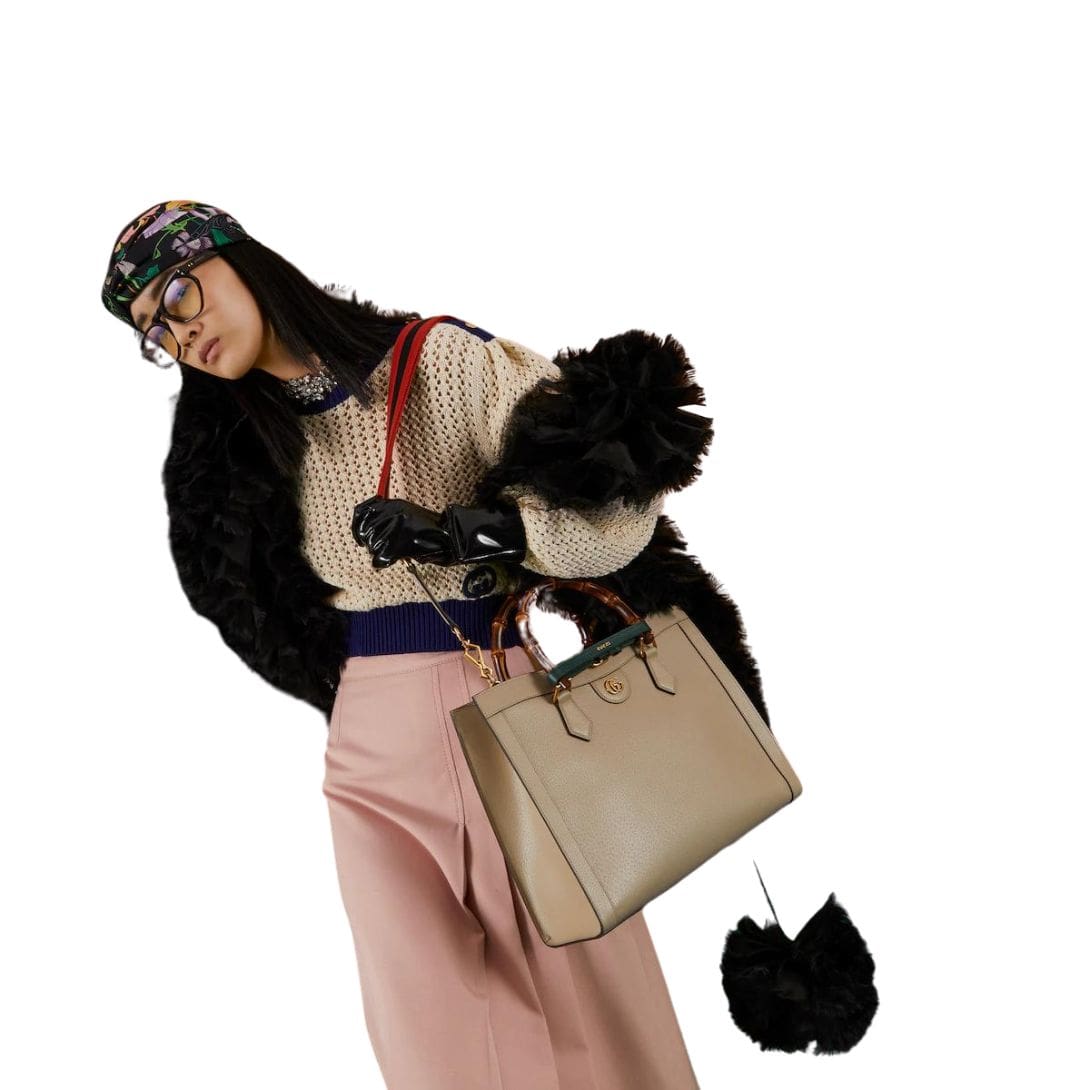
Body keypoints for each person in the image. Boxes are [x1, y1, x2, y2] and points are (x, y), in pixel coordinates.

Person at [101, 199, 770, 1089]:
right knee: (428, 1036)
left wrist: (466, 533)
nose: (179, 333)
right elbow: (242, 593)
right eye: (154, 331)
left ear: (240, 257)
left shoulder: (440, 363)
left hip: (495, 707)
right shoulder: (241, 439)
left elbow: (614, 499)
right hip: (366, 745)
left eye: (180, 293)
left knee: (581, 993)